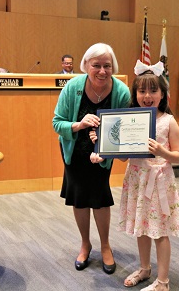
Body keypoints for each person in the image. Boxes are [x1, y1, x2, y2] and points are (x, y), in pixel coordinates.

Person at [90, 59, 179, 290]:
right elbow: (123, 155)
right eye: (142, 90)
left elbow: (178, 156)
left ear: (162, 94)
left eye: (153, 90)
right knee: (141, 228)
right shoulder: (130, 119)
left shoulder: (168, 122)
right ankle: (145, 269)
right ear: (135, 94)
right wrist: (103, 147)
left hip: (159, 183)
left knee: (160, 232)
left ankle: (163, 282)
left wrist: (163, 151)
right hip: (136, 181)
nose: (147, 95)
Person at [52, 43, 130, 275]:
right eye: (96, 65)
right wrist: (79, 124)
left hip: (102, 155)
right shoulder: (73, 87)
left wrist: (107, 152)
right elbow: (57, 123)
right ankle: (85, 244)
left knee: (100, 198)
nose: (102, 71)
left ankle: (106, 246)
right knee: (79, 198)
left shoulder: (121, 92)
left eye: (107, 66)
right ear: (86, 65)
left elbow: (124, 130)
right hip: (74, 153)